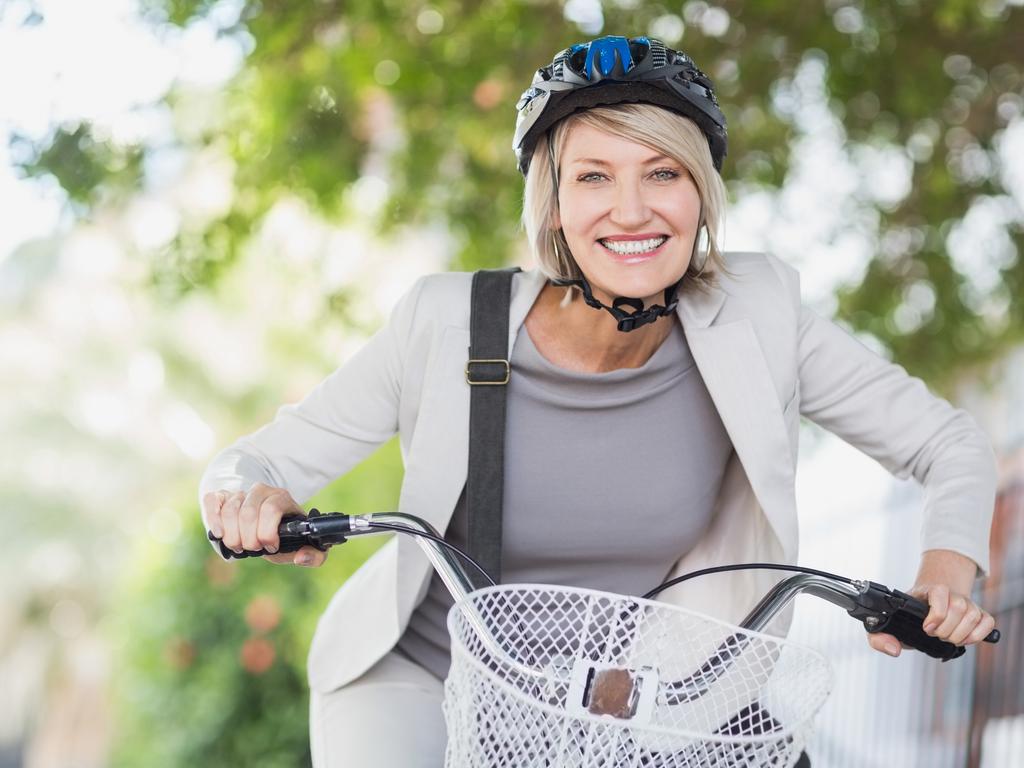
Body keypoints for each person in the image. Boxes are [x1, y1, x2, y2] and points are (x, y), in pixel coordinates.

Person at [199, 35, 998, 767]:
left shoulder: (760, 315)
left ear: (700, 195)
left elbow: (946, 443)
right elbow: (252, 463)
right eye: (593, 177)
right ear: (551, 206)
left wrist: (945, 565)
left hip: (636, 700)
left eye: (663, 172)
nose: (631, 209)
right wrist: (244, 501)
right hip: (429, 677)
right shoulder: (445, 323)